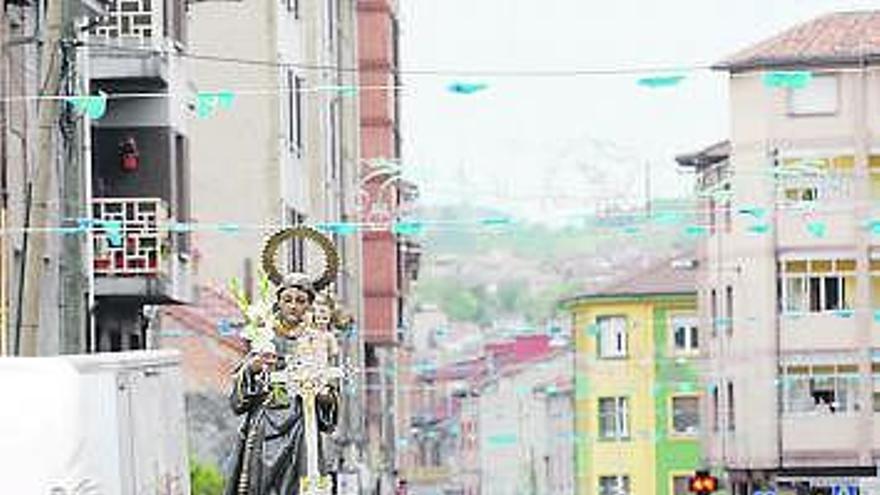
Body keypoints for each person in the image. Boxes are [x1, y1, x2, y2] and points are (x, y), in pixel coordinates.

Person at [224, 275, 341, 495]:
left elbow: (330, 408)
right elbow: (237, 401)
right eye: (288, 299)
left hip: (302, 424)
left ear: (309, 305)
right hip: (265, 425)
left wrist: (324, 396)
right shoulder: (264, 337)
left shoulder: (317, 340)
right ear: (279, 302)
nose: (294, 306)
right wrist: (252, 369)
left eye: (300, 300)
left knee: (302, 483)